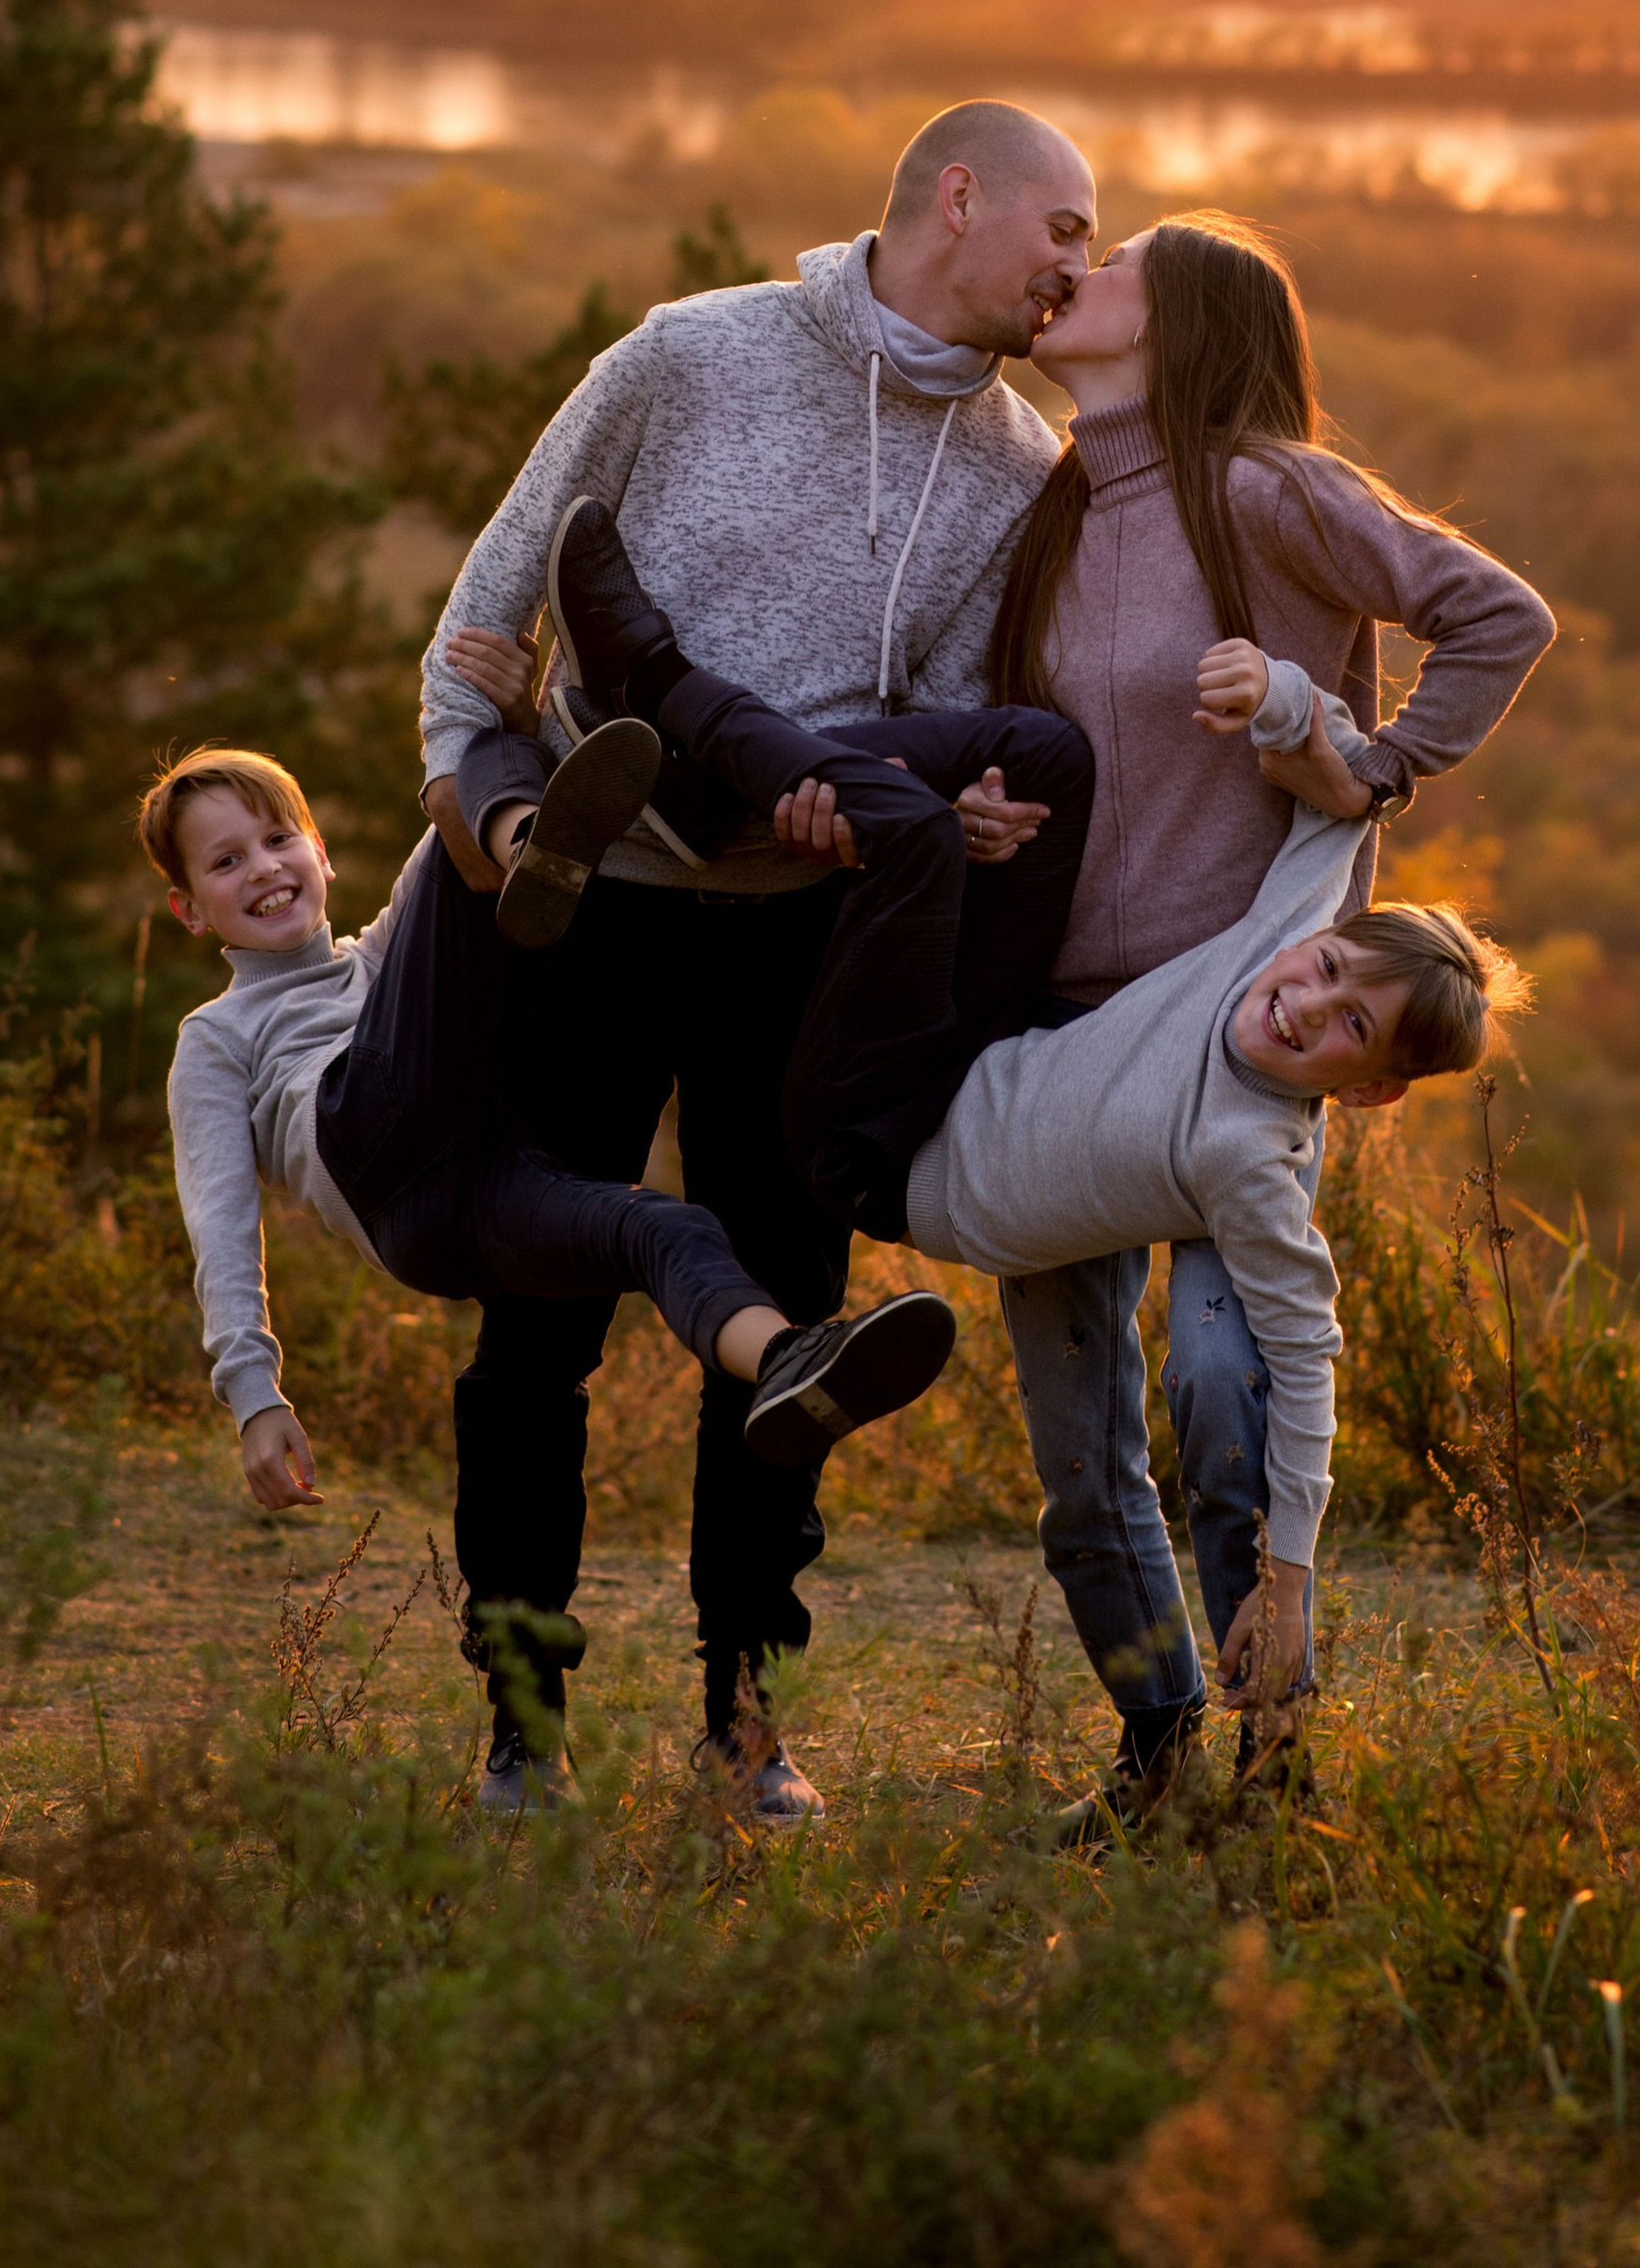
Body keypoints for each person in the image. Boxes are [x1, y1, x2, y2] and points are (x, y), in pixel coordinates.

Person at [546, 498, 1523, 1774]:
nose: (1302, 1006)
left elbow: (1305, 1361)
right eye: (1328, 967)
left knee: (905, 837)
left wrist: (1286, 1578)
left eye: (1349, 1031)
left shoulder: (1249, 1155)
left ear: (1370, 1094)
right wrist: (1281, 692)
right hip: (971, 1054)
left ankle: (660, 686)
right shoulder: (1266, 954)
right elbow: (1339, 811)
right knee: (1046, 758)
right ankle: (718, 793)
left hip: (880, 1148)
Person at [414, 98, 1100, 1824]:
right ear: (961, 198)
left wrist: (865, 817)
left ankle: (746, 1727)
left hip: (798, 932)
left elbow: (922, 724)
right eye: (1068, 229)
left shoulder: (1022, 471)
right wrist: (493, 829)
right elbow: (490, 617)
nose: (1081, 269)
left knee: (788, 1338)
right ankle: (520, 1728)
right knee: (536, 1329)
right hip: (589, 901)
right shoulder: (686, 356)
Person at [985, 209, 1557, 1830]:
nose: (1072, 283)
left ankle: (1279, 1762)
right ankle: (1161, 1751)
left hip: (1248, 1026)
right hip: (1065, 1032)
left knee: (1226, 1398)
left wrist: (1378, 767)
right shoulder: (1057, 498)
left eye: (1109, 277)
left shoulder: (1267, 488)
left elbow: (1500, 615)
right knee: (1084, 1450)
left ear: (1171, 333)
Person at [141, 729, 962, 1814]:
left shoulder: (377, 961)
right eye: (225, 861)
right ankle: (531, 828)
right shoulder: (222, 1034)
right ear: (188, 910)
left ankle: (788, 1358)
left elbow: (413, 926)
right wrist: (254, 1392)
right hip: (377, 1147)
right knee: (455, 848)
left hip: (484, 1194)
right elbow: (219, 1214)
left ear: (323, 851)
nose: (264, 868)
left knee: (659, 1231)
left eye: (278, 836)